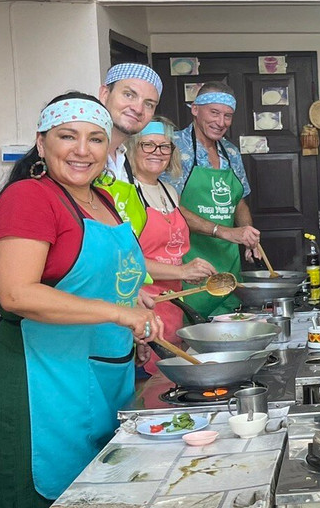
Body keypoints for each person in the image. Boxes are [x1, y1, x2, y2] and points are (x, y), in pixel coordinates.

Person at [0, 92, 163, 508]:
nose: (82, 150)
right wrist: (116, 313)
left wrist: (133, 312)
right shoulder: (30, 198)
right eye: (67, 136)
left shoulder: (102, 201)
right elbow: (15, 293)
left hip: (104, 376)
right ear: (41, 142)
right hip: (45, 383)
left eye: (95, 138)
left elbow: (102, 280)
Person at [127, 117, 217, 370]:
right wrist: (182, 271)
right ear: (133, 147)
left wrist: (190, 270)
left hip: (172, 304)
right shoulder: (125, 193)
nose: (158, 152)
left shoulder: (169, 191)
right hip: (141, 305)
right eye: (148, 145)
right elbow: (126, 262)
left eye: (165, 146)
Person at [167, 82, 261, 318]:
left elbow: (239, 201)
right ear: (195, 110)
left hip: (227, 267)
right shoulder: (172, 147)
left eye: (227, 116)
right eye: (214, 113)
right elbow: (168, 207)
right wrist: (223, 231)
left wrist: (248, 234)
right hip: (188, 264)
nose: (221, 122)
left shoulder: (230, 152)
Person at [96, 62, 165, 235]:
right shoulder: (80, 159)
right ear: (105, 94)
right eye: (129, 95)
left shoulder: (124, 161)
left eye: (149, 104)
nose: (138, 108)